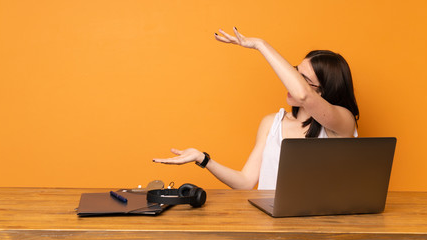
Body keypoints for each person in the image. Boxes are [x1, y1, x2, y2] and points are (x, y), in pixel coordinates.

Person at [153, 27, 359, 190]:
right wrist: (203, 158)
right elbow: (245, 182)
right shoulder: (272, 123)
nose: (289, 81)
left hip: (319, 227)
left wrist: (261, 44)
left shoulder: (341, 123)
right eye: (294, 71)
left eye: (301, 79)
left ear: (322, 92)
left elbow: (303, 95)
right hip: (271, 227)